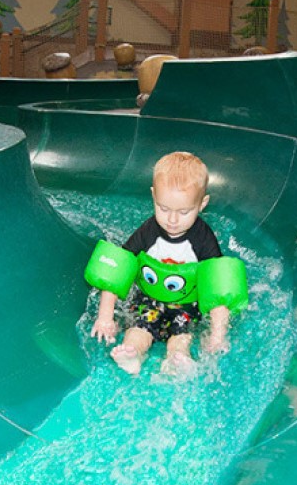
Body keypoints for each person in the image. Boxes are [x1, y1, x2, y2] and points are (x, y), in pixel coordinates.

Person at [90, 151, 232, 375]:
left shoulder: (203, 239)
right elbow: (117, 269)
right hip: (149, 299)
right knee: (138, 329)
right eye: (163, 209)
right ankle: (133, 355)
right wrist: (105, 316)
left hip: (186, 306)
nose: (172, 220)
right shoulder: (148, 231)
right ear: (153, 196)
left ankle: (177, 360)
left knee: (181, 337)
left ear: (202, 203)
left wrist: (217, 336)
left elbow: (218, 290)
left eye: (184, 212)